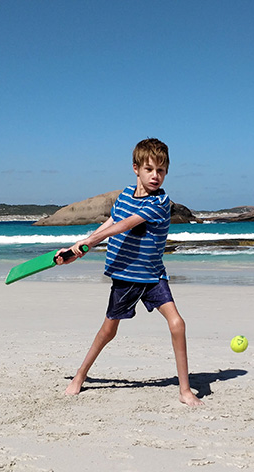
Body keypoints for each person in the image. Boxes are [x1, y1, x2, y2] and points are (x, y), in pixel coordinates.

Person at [56, 138, 203, 406]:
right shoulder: (125, 195)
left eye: (161, 170)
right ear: (136, 168)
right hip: (127, 275)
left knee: (177, 323)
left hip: (153, 275)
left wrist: (87, 243)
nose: (155, 176)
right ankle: (79, 376)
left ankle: (185, 390)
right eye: (149, 169)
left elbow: (124, 225)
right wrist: (79, 248)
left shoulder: (160, 203)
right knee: (108, 331)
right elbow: (111, 221)